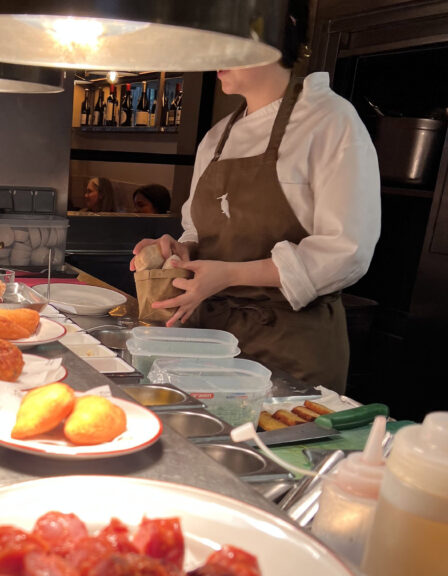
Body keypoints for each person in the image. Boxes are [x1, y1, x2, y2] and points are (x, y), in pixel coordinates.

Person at [130, 0, 380, 394]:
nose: (214, 53)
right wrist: (178, 253)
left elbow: (345, 252)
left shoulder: (329, 120)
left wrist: (230, 274)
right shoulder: (216, 137)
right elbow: (200, 232)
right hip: (211, 342)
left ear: (282, 27)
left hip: (290, 349)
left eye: (229, 32)